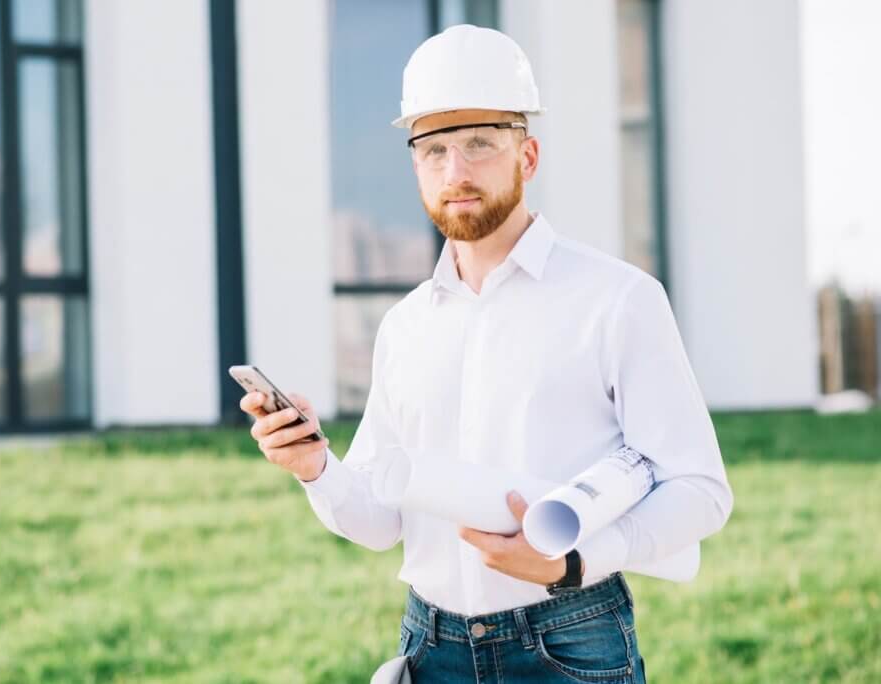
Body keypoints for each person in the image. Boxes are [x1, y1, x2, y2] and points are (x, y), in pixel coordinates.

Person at [240, 24, 733, 683]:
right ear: (416, 164)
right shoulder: (406, 325)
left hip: (569, 641)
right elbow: (380, 521)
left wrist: (575, 562)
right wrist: (315, 466)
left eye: (480, 144)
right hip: (429, 644)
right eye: (435, 149)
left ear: (527, 157)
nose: (456, 171)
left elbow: (700, 492)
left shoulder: (618, 299)